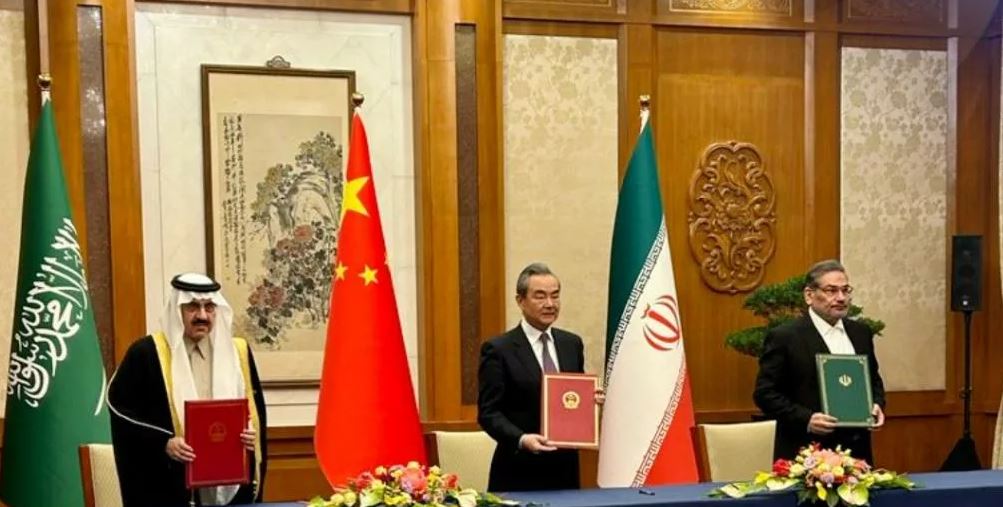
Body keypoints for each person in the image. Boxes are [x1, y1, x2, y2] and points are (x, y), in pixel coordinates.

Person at [108, 273, 267, 506]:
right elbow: (120, 411)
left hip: (230, 481)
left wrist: (250, 432)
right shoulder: (147, 353)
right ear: (177, 310)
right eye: (192, 307)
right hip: (168, 485)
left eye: (209, 307)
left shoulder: (237, 352)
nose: (202, 316)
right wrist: (164, 442)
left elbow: (255, 411)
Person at [753, 260, 886, 464]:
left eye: (845, 290)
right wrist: (806, 419)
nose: (841, 298)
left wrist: (877, 404)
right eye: (831, 290)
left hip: (856, 453)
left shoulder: (860, 333)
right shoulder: (785, 337)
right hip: (806, 454)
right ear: (809, 295)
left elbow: (873, 380)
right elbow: (765, 394)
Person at [477, 263, 584, 492]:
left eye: (555, 296)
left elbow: (573, 396)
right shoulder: (499, 349)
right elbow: (488, 413)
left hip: (565, 470)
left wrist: (590, 400)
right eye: (540, 296)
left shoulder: (571, 344)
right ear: (520, 301)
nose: (550, 304)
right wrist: (521, 439)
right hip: (519, 470)